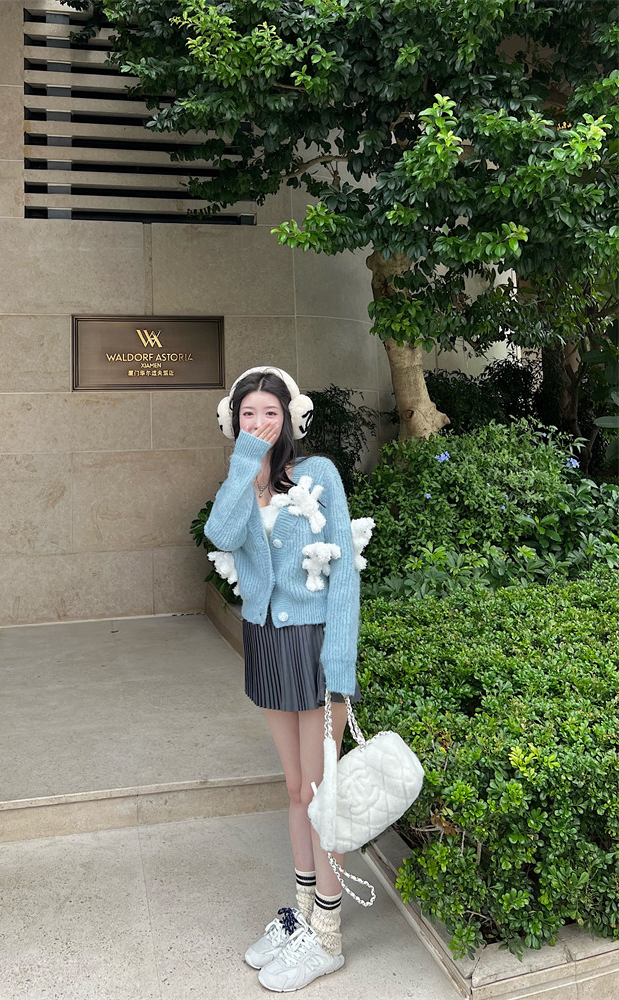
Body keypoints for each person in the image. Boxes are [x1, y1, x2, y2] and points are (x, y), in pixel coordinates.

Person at [205, 366, 361, 992]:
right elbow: (219, 533)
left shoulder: (319, 474)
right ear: (233, 421)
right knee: (295, 787)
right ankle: (302, 913)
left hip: (315, 643)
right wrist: (247, 462)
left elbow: (345, 573)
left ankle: (328, 933)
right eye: (248, 413)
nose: (260, 422)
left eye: (270, 412)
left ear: (291, 417)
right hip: (266, 642)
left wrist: (340, 663)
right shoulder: (241, 483)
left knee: (321, 794)